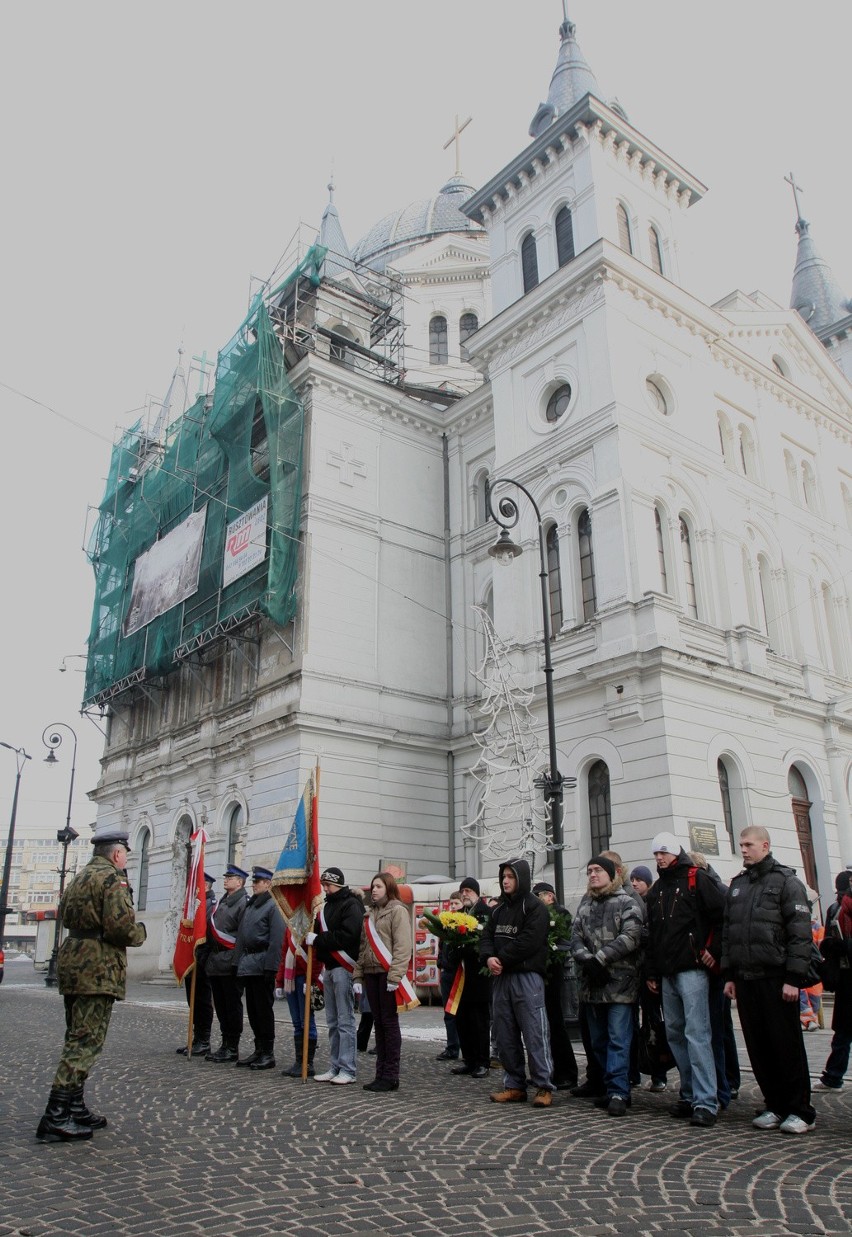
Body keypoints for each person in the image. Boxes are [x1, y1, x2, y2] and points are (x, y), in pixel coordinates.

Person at [36, 828, 146, 1143]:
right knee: (85, 1041)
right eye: (125, 853)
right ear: (116, 854)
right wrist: (140, 931)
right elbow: (120, 928)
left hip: (74, 963)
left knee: (77, 1033)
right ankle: (56, 1115)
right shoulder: (113, 879)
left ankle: (74, 1106)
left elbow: (66, 914)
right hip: (97, 967)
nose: (126, 859)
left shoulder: (80, 877)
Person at [722, 826, 815, 1134]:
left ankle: (800, 1109)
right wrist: (730, 975)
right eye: (741, 844)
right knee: (759, 1046)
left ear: (765, 845)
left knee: (785, 1045)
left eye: (748, 844)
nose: (744, 849)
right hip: (746, 978)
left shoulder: (786, 882)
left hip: (776, 978)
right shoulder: (738, 885)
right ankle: (774, 1104)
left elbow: (800, 933)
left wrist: (793, 978)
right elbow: (729, 933)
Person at [645, 833, 726, 1128]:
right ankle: (690, 1093)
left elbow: (721, 915)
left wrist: (713, 951)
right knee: (676, 1033)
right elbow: (653, 934)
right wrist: (653, 971)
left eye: (663, 853)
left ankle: (706, 1100)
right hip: (668, 972)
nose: (659, 859)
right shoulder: (657, 890)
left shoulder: (697, 879)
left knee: (697, 1033)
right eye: (656, 854)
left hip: (692, 967)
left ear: (675, 853)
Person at [570, 855, 643, 1118]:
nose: (592, 874)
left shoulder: (626, 902)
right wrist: (587, 960)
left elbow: (632, 936)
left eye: (598, 870)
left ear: (612, 875)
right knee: (598, 1041)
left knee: (618, 1040)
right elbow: (575, 936)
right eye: (589, 870)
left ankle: (619, 1091)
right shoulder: (586, 905)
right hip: (592, 986)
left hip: (620, 986)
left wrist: (600, 958)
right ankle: (606, 1085)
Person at [480, 858, 553, 1108]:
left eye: (511, 876)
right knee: (505, 1034)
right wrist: (488, 957)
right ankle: (514, 1085)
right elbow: (486, 937)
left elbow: (529, 941)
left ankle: (543, 1085)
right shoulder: (498, 910)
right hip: (502, 978)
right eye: (504, 877)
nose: (506, 881)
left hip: (526, 977)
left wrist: (500, 958)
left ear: (520, 878)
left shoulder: (535, 908)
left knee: (534, 1033)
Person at [354, 871, 413, 1092]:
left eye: (378, 886)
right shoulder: (368, 916)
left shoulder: (398, 911)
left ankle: (391, 1075)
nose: (374, 890)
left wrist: (395, 976)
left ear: (388, 888)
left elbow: (402, 946)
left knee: (389, 1023)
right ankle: (380, 1073)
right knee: (377, 1023)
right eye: (373, 886)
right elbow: (363, 948)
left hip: (387, 975)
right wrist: (358, 975)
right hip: (370, 973)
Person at [307, 866, 364, 1085]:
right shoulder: (326, 907)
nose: (325, 889)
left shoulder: (351, 905)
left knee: (345, 1020)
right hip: (329, 967)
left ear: (338, 884)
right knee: (332, 1021)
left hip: (343, 967)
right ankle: (335, 1065)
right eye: (323, 885)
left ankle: (348, 1069)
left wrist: (319, 940)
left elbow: (347, 936)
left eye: (328, 885)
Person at [232, 866, 285, 1070]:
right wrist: (237, 963)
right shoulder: (252, 906)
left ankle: (268, 1052)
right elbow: (242, 937)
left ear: (268, 884)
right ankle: (258, 1049)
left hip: (263, 963)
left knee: (263, 1010)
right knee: (253, 1010)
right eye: (253, 881)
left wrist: (271, 968)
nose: (253, 884)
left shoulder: (273, 906)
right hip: (249, 963)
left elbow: (276, 939)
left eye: (258, 882)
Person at [533, 880, 578, 1089]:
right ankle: (547, 1070)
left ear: (549, 896)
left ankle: (566, 1071)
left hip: (554, 975)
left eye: (538, 895)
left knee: (555, 1023)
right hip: (541, 974)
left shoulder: (561, 914)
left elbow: (561, 942)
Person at [205, 864, 249, 1063]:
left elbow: (241, 935)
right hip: (216, 960)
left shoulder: (242, 903)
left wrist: (236, 961)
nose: (226, 880)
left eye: (230, 878)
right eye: (226, 877)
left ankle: (233, 1046)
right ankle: (225, 1043)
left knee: (232, 1005)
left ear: (239, 882)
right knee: (221, 1006)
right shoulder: (223, 901)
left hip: (230, 960)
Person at [448, 878, 492, 1079]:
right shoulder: (459, 915)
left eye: (468, 890)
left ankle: (482, 1061)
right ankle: (469, 1059)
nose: (464, 894)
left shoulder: (485, 913)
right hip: (462, 976)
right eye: (462, 891)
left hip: (479, 976)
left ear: (476, 892)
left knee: (479, 1021)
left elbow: (485, 941)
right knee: (462, 1020)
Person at [815, 870, 852, 1091]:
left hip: (847, 975)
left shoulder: (839, 907)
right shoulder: (834, 908)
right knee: (843, 1031)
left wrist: (845, 946)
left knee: (843, 1031)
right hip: (845, 977)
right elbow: (827, 937)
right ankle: (833, 1076)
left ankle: (833, 1076)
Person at [176, 872, 216, 1057]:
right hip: (192, 959)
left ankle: (204, 1040)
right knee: (193, 1002)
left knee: (202, 1001)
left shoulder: (209, 905)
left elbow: (207, 931)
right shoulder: (193, 907)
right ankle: (196, 1039)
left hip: (202, 959)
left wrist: (202, 956)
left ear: (205, 886)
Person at [276, 925, 318, 1077]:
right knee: (296, 1022)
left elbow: (316, 956)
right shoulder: (289, 927)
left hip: (304, 977)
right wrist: (279, 981)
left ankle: (308, 1063)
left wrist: (312, 979)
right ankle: (299, 1061)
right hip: (291, 977)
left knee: (306, 1021)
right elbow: (284, 953)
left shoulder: (311, 923)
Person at [435, 891, 463, 1061]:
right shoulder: (445, 924)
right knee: (448, 1012)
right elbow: (441, 947)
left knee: (460, 1013)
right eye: (451, 904)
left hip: (459, 973)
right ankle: (452, 1046)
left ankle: (464, 1047)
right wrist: (440, 964)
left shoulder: (464, 924)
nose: (453, 907)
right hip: (447, 972)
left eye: (456, 904)